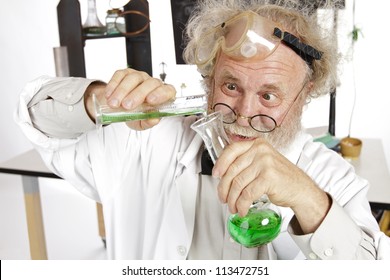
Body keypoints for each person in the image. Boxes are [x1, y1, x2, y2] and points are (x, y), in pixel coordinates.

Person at [15, 0, 390, 259]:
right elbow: (35, 116)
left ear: (305, 94)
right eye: (230, 86)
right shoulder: (143, 140)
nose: (243, 113)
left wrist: (306, 199)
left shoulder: (330, 178)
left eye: (269, 95)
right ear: (207, 79)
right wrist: (100, 101)